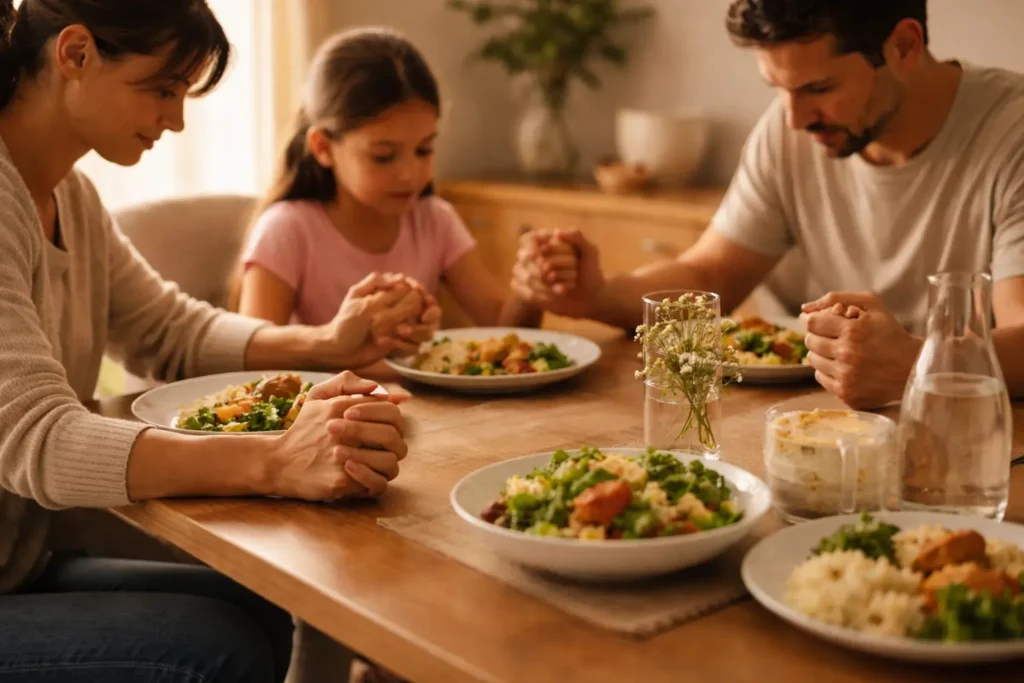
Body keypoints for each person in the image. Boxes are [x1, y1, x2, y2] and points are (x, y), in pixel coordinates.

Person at [0, 2, 416, 681]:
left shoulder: (69, 198)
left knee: (262, 608)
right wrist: (274, 460)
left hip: (20, 571)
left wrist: (326, 342)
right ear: (74, 55)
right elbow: (39, 441)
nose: (177, 118)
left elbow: (171, 330)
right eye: (163, 88)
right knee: (220, 647)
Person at [512, 0, 1024, 409]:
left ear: (904, 46)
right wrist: (596, 294)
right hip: (815, 423)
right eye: (778, 88)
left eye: (819, 88)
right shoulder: (790, 130)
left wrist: (916, 361)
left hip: (974, 439)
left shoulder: (1011, 132)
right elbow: (709, 274)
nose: (795, 119)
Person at [231, 27, 576, 329]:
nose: (411, 174)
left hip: (419, 405)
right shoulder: (287, 231)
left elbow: (503, 327)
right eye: (383, 156)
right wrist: (343, 344)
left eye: (424, 150)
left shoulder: (434, 220)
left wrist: (531, 288)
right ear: (323, 147)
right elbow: (255, 360)